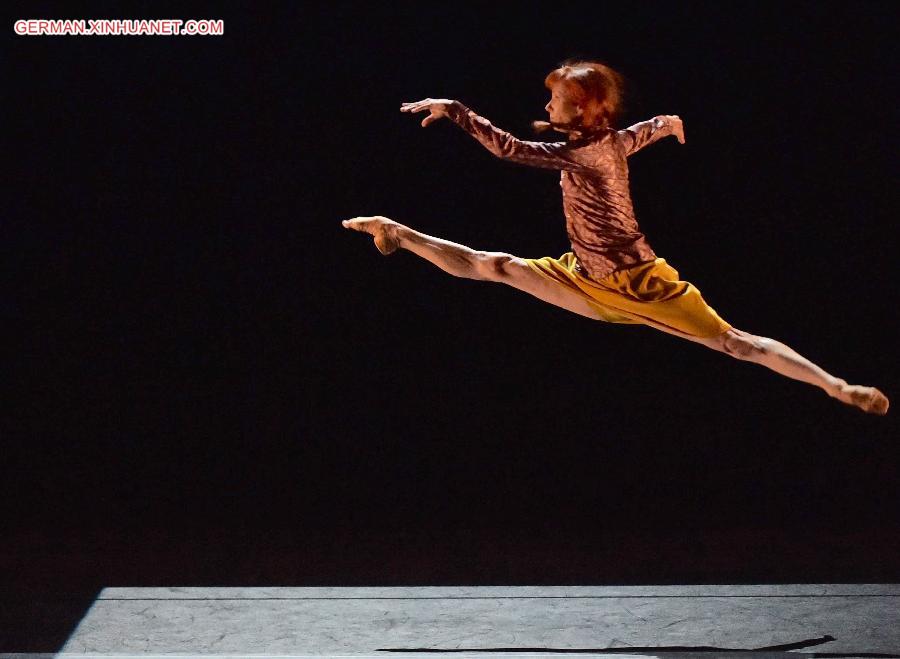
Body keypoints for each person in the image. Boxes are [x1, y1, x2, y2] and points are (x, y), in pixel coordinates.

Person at [342, 59, 889, 415]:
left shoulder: (581, 151)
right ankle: (397, 233)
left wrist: (457, 111)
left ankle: (838, 388)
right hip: (586, 277)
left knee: (733, 342)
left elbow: (509, 149)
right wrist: (667, 122)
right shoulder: (603, 139)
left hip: (635, 283)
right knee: (498, 266)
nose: (547, 107)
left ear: (578, 108)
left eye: (554, 100)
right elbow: (633, 135)